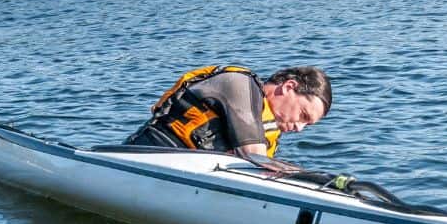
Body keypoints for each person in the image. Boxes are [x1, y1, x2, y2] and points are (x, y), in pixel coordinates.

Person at [123, 65, 331, 158]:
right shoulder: (237, 83)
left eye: (307, 125)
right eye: (303, 115)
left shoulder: (268, 132)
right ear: (288, 87)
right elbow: (255, 159)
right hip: (141, 156)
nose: (299, 128)